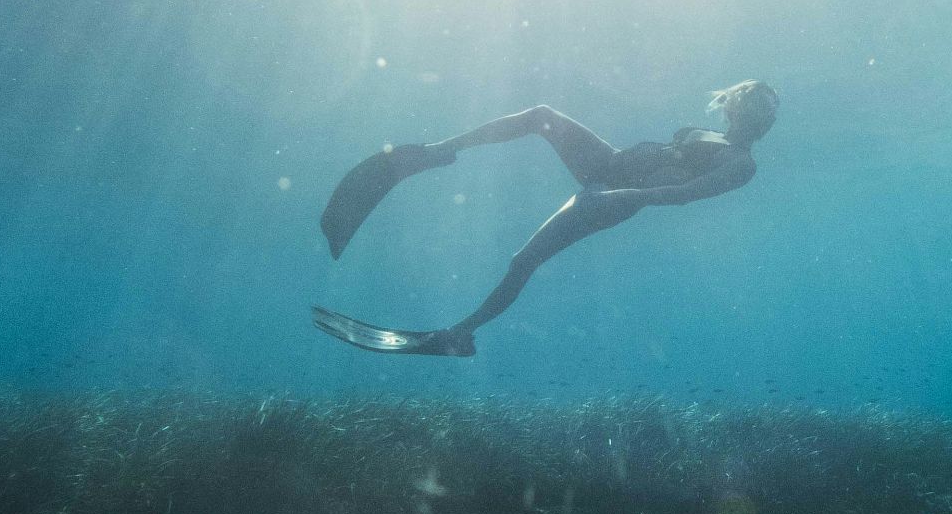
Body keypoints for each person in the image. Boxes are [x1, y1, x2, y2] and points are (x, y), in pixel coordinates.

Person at [315, 79, 778, 356]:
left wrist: (621, 193)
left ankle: (460, 334)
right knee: (542, 115)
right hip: (610, 164)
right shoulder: (711, 136)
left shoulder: (742, 163)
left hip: (612, 195)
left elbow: (685, 194)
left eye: (752, 108)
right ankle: (437, 152)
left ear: (759, 120)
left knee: (523, 260)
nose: (741, 110)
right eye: (742, 102)